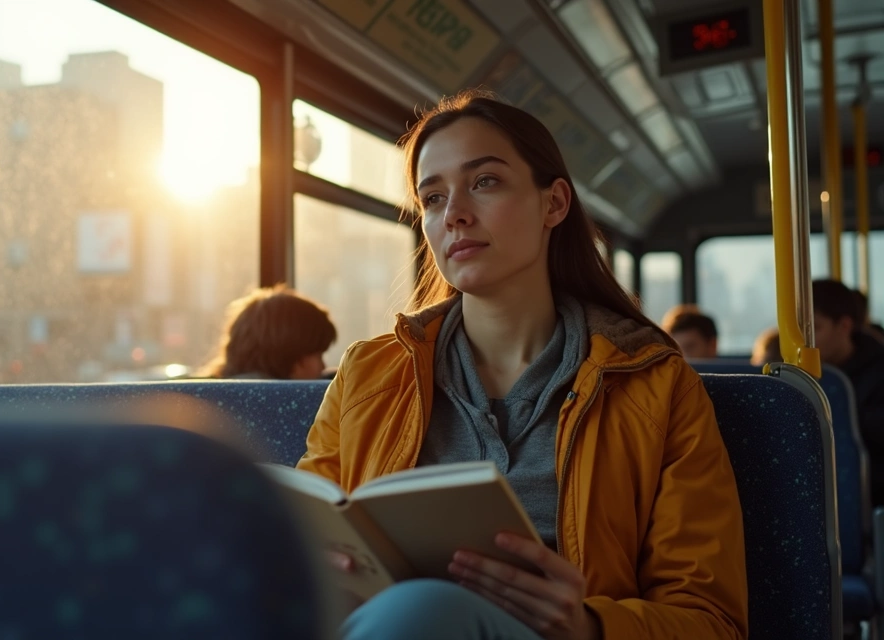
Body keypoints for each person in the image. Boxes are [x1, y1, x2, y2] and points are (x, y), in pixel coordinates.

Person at [298, 89, 747, 639]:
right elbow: (314, 532)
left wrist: (589, 625)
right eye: (433, 199)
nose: (455, 215)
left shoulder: (656, 387)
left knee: (423, 615)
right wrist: (313, 569)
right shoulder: (369, 374)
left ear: (554, 204)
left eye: (484, 182)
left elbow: (710, 620)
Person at [811, 279, 884, 504]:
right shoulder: (794, 376)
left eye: (816, 328)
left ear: (844, 326)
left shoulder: (878, 375)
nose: (805, 340)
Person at [200, 285, 336, 380]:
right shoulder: (297, 408)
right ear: (296, 360)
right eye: (318, 355)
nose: (323, 367)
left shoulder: (200, 398)